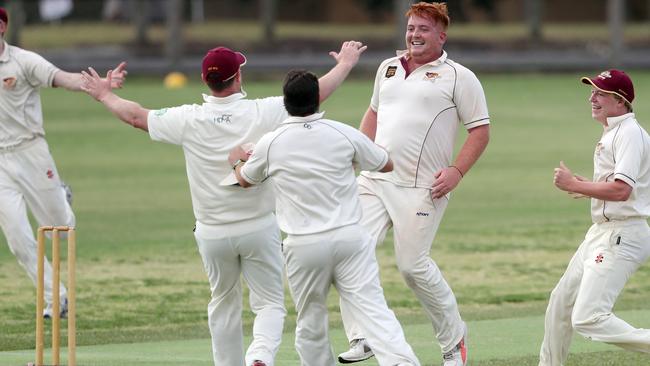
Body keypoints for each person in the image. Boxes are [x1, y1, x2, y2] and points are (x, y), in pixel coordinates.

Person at [80, 43, 367, 366]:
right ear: (238, 76)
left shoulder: (188, 118)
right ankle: (259, 356)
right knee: (270, 303)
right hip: (259, 226)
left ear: (206, 81)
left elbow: (135, 116)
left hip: (212, 232)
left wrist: (104, 95)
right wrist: (345, 64)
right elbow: (314, 95)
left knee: (223, 302)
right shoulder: (264, 111)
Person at [230, 69, 421, 366]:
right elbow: (387, 164)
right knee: (373, 309)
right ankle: (401, 362)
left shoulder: (271, 141)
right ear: (317, 100)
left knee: (311, 319)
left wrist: (238, 162)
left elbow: (245, 180)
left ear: (286, 102)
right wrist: (350, 161)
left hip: (303, 245)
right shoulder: (342, 132)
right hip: (350, 239)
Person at [337, 3, 490, 366]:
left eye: (423, 29)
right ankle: (363, 335)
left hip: (424, 187)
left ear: (442, 35)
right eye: (411, 29)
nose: (415, 35)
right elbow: (374, 112)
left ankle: (455, 341)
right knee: (348, 252)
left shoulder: (459, 76)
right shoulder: (387, 68)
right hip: (375, 180)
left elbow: (480, 131)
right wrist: (361, 152)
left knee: (412, 267)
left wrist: (456, 171)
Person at [0, 7, 127, 319]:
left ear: (2, 26)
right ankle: (55, 298)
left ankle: (61, 198)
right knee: (17, 239)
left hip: (31, 151)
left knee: (60, 230)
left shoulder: (23, 61)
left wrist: (99, 85)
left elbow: (62, 78)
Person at [539, 69, 650, 365]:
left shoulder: (629, 133)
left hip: (621, 235)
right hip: (602, 232)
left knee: (588, 318)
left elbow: (622, 191)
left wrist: (575, 185)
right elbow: (620, 186)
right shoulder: (615, 131)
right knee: (560, 303)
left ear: (619, 100)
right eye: (592, 92)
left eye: (600, 93)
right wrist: (588, 187)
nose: (592, 98)